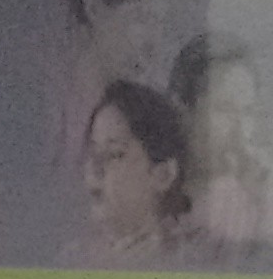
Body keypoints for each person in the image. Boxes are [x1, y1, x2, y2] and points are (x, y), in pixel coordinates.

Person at [169, 32, 273, 253]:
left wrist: (265, 207)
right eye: (224, 110)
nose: (241, 134)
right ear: (182, 110)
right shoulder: (150, 194)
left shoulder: (258, 192)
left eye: (248, 112)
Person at [62, 81, 192, 265]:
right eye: (92, 153)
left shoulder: (190, 261)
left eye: (114, 155)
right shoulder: (72, 260)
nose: (95, 168)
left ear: (163, 175)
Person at [58, 0, 171, 164]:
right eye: (140, 18)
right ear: (94, 8)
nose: (152, 44)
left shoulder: (158, 119)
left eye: (159, 22)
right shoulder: (50, 110)